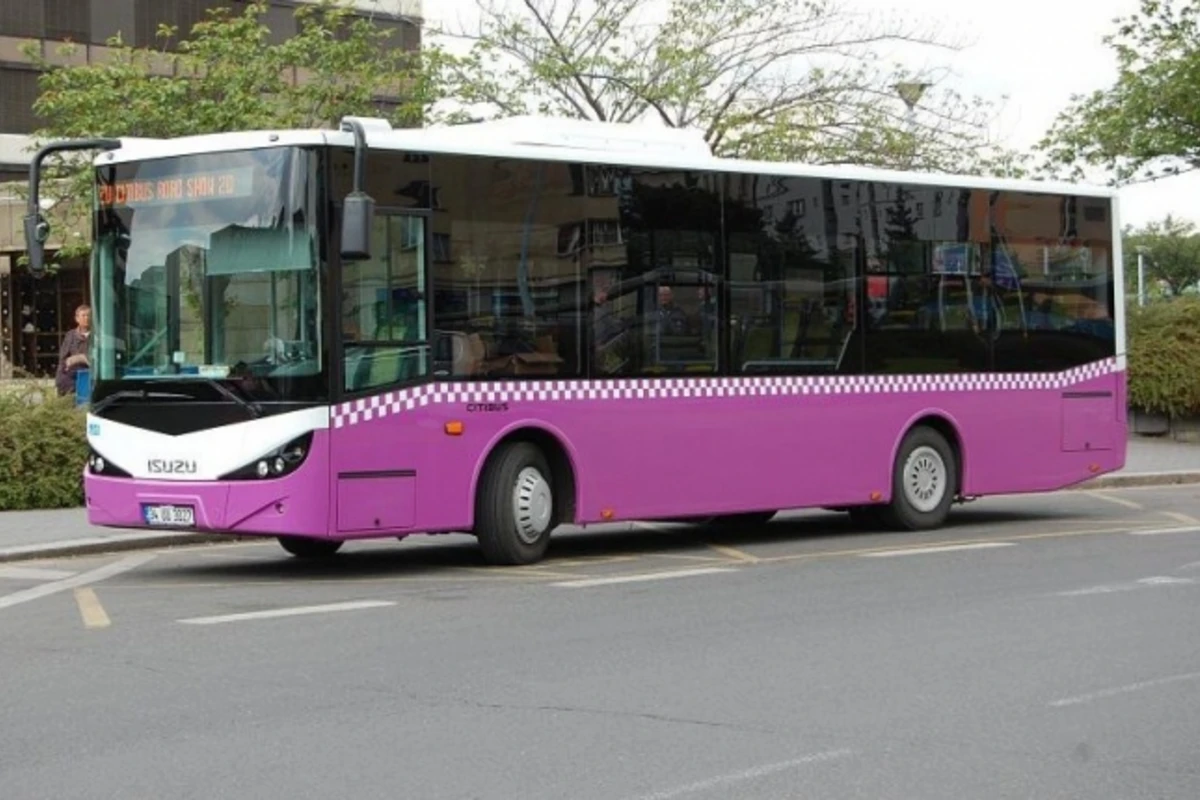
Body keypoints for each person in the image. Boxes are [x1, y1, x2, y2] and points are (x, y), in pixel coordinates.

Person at [55, 304, 91, 397]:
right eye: (83, 315)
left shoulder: (97, 336)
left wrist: (82, 358)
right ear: (77, 319)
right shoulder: (70, 335)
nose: (86, 318)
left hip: (91, 370)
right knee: (62, 378)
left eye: (88, 315)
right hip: (73, 371)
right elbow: (63, 358)